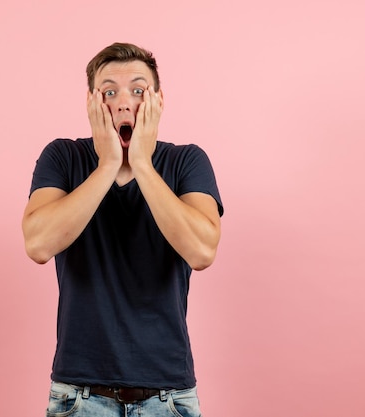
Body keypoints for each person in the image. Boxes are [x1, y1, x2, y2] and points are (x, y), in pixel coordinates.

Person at [22, 42, 223, 417]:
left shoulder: (186, 161)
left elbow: (202, 251)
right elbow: (37, 243)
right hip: (78, 397)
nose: (123, 101)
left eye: (138, 89)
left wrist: (142, 164)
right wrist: (107, 165)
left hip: (170, 397)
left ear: (159, 100)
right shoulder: (63, 157)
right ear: (92, 102)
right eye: (109, 90)